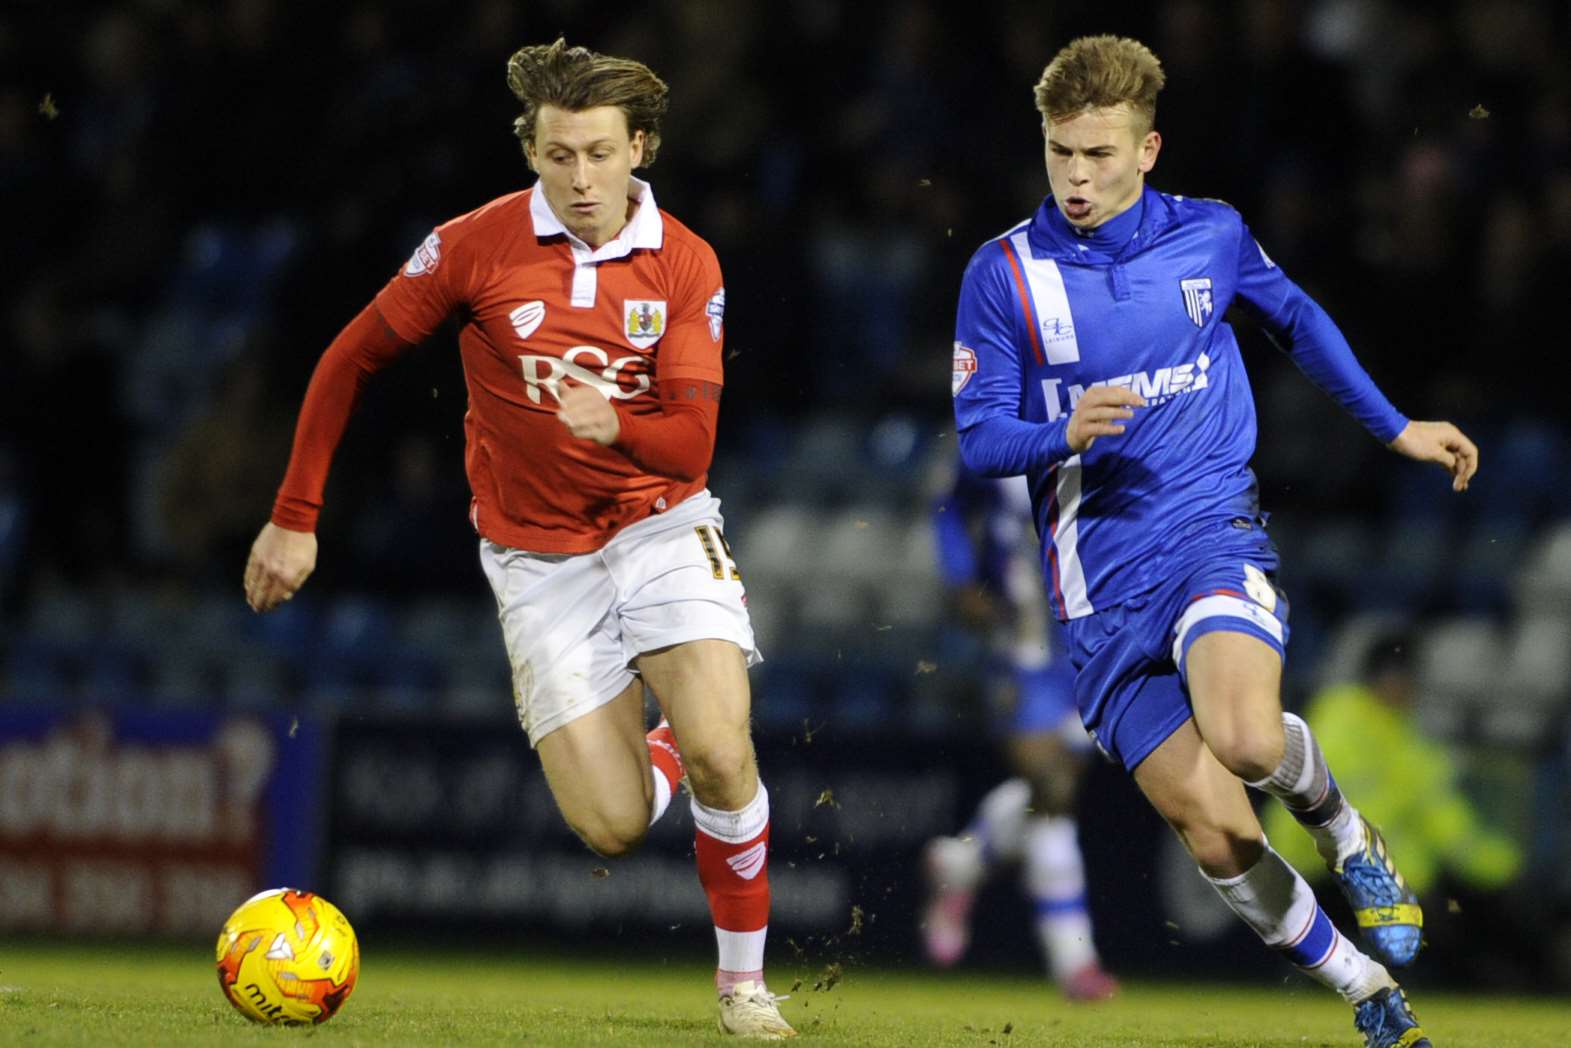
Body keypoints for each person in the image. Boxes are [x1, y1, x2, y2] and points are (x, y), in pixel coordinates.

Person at [242, 39, 793, 1040]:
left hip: (657, 522)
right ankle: (663, 743)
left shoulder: (683, 262)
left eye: (596, 153)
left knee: (725, 749)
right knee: (615, 826)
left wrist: (615, 422)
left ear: (641, 147)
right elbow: (347, 359)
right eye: (555, 155)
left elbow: (692, 440)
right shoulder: (473, 245)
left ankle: (743, 988)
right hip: (538, 561)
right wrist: (295, 514)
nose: (578, 178)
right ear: (532, 152)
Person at [950, 34, 1479, 1048]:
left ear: (1146, 150)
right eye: (1060, 152)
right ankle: (1361, 984)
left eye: (1098, 154)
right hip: (1092, 593)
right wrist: (1056, 434)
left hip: (1202, 532)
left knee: (1242, 736)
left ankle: (1340, 826)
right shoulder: (1002, 274)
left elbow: (1297, 319)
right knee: (1216, 832)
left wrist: (1395, 426)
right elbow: (979, 437)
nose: (1074, 175)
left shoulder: (1210, 236)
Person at [920, 462, 1118, 1000]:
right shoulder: (995, 429)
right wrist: (961, 579)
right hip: (1021, 639)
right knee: (1052, 788)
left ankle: (962, 862)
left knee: (1051, 789)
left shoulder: (1105, 417)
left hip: (1093, 639)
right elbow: (947, 504)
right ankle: (1074, 960)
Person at [1265, 630, 1521, 902]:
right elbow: (1353, 815)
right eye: (1408, 678)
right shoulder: (1342, 721)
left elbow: (1437, 816)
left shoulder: (1399, 731)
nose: (1413, 689)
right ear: (1387, 678)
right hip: (1315, 872)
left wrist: (1500, 869)